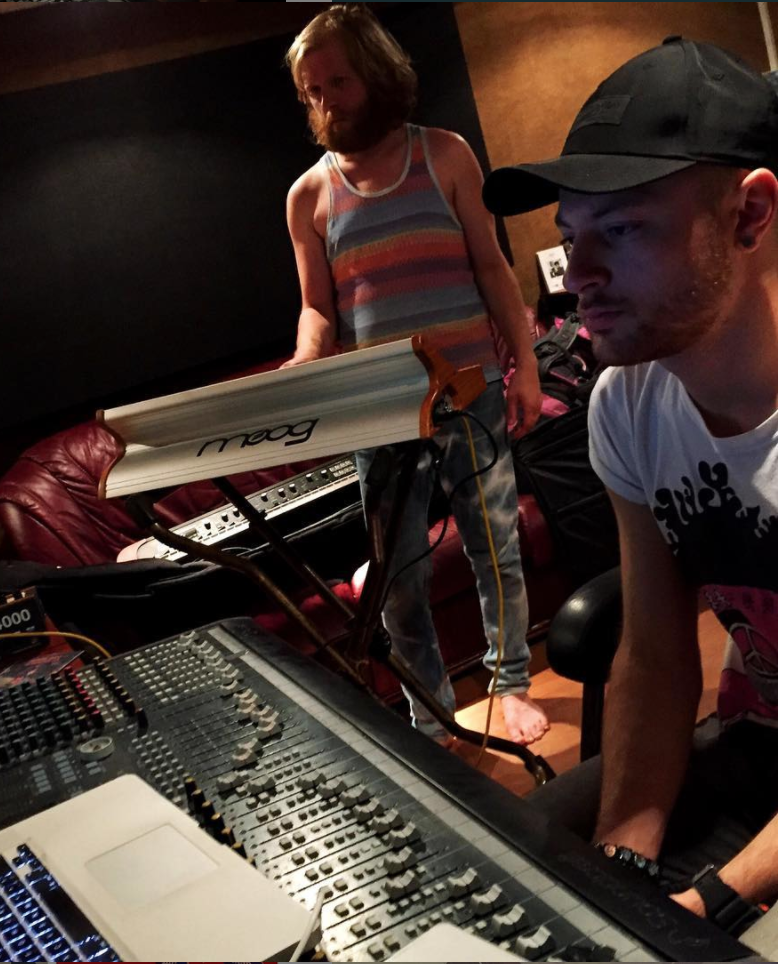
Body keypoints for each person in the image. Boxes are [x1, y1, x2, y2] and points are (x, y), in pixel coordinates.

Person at [482, 37, 778, 931]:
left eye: (624, 228)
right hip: (757, 742)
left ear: (750, 215)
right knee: (514, 866)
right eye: (574, 237)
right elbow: (652, 655)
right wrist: (621, 868)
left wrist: (708, 902)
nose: (581, 277)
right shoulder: (627, 405)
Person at [282, 4, 548, 746]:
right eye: (311, 92)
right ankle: (426, 716)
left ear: (376, 72)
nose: (326, 101)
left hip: (471, 391)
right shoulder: (309, 197)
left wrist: (524, 365)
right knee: (396, 575)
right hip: (381, 408)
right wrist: (305, 358)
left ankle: (509, 684)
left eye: (337, 81)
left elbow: (493, 270)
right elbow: (317, 309)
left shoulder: (447, 155)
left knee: (493, 541)